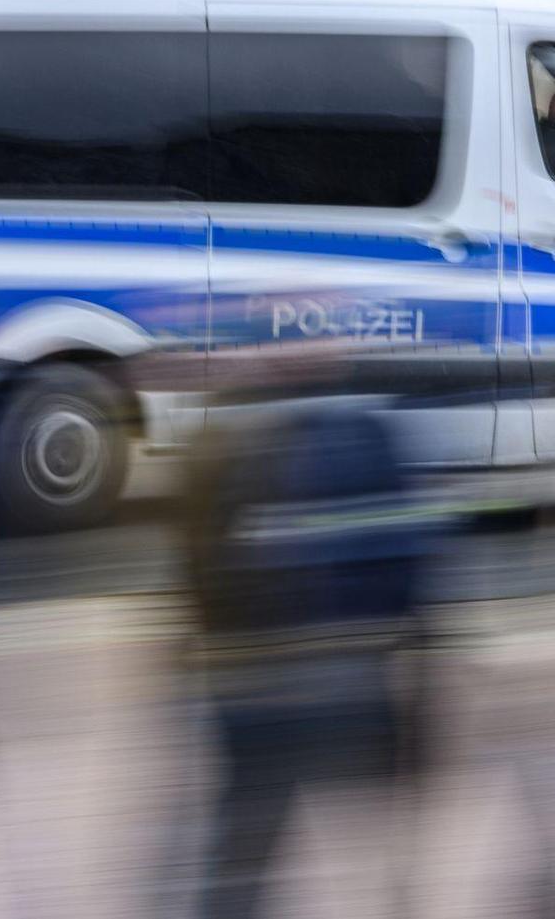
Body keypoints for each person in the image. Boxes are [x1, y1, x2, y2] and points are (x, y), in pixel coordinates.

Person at [181, 378, 447, 919]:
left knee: (248, 852)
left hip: (267, 697)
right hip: (337, 694)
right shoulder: (366, 436)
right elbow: (410, 569)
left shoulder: (224, 445)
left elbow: (203, 580)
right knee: (362, 861)